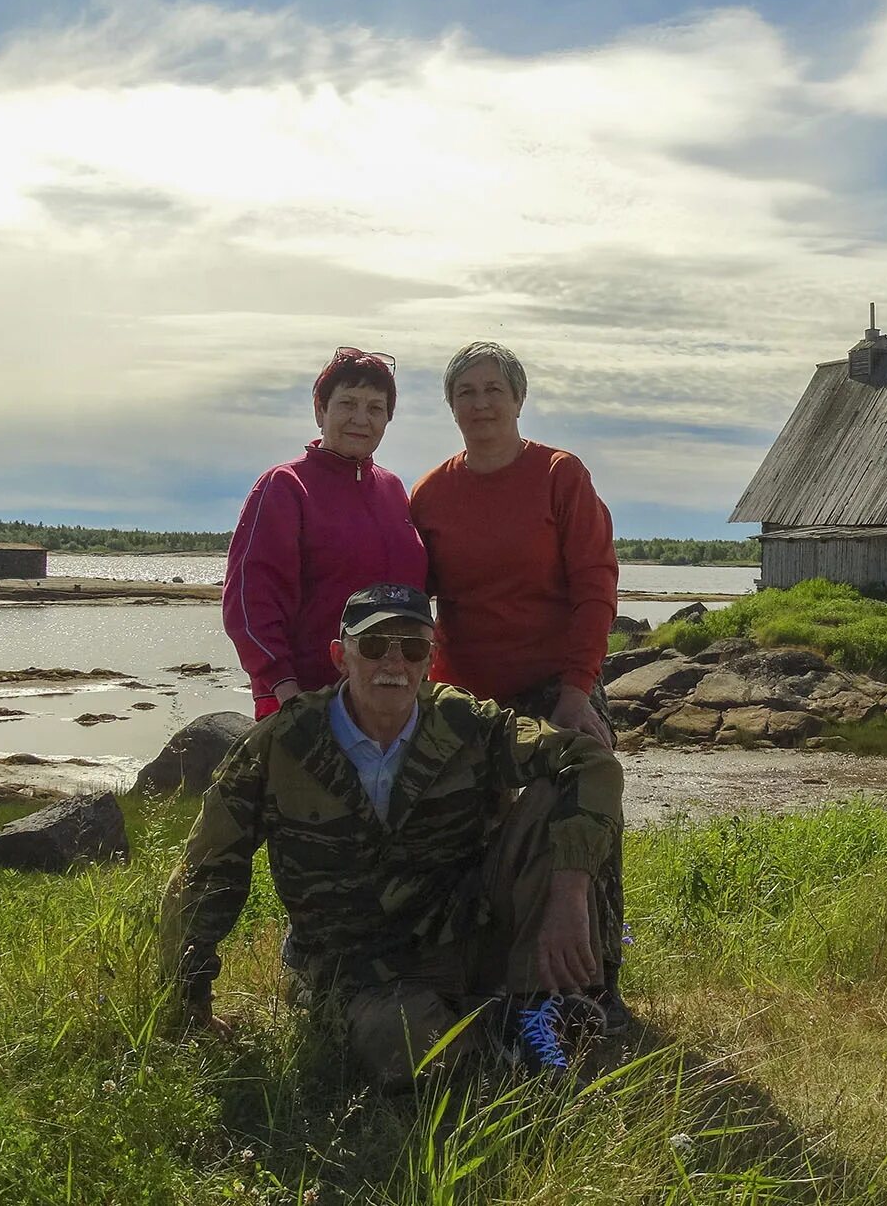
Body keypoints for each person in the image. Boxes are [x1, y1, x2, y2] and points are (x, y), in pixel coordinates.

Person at [160, 583, 624, 1085]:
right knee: (408, 1048)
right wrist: (190, 1001)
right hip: (357, 969)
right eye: (376, 646)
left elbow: (589, 762)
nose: (394, 663)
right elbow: (207, 871)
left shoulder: (464, 722)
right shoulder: (280, 745)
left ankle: (533, 1007)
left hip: (463, 935)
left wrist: (569, 891)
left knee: (555, 794)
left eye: (413, 648)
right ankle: (501, 1032)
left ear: (431, 658)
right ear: (341, 657)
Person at [408, 341, 629, 1024]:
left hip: (554, 683)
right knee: (470, 833)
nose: (480, 403)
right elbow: (415, 600)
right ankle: (500, 980)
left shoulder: (560, 475)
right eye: (465, 393)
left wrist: (575, 689)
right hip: (468, 693)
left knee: (583, 817)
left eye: (492, 389)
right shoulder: (432, 494)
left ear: (518, 398)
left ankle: (597, 987)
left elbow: (597, 587)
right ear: (450, 407)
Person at [222, 348, 427, 721]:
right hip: (304, 702)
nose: (360, 419)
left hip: (392, 704)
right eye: (347, 403)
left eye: (375, 408)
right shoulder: (285, 487)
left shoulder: (394, 490)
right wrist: (284, 690)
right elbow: (249, 604)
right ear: (320, 411)